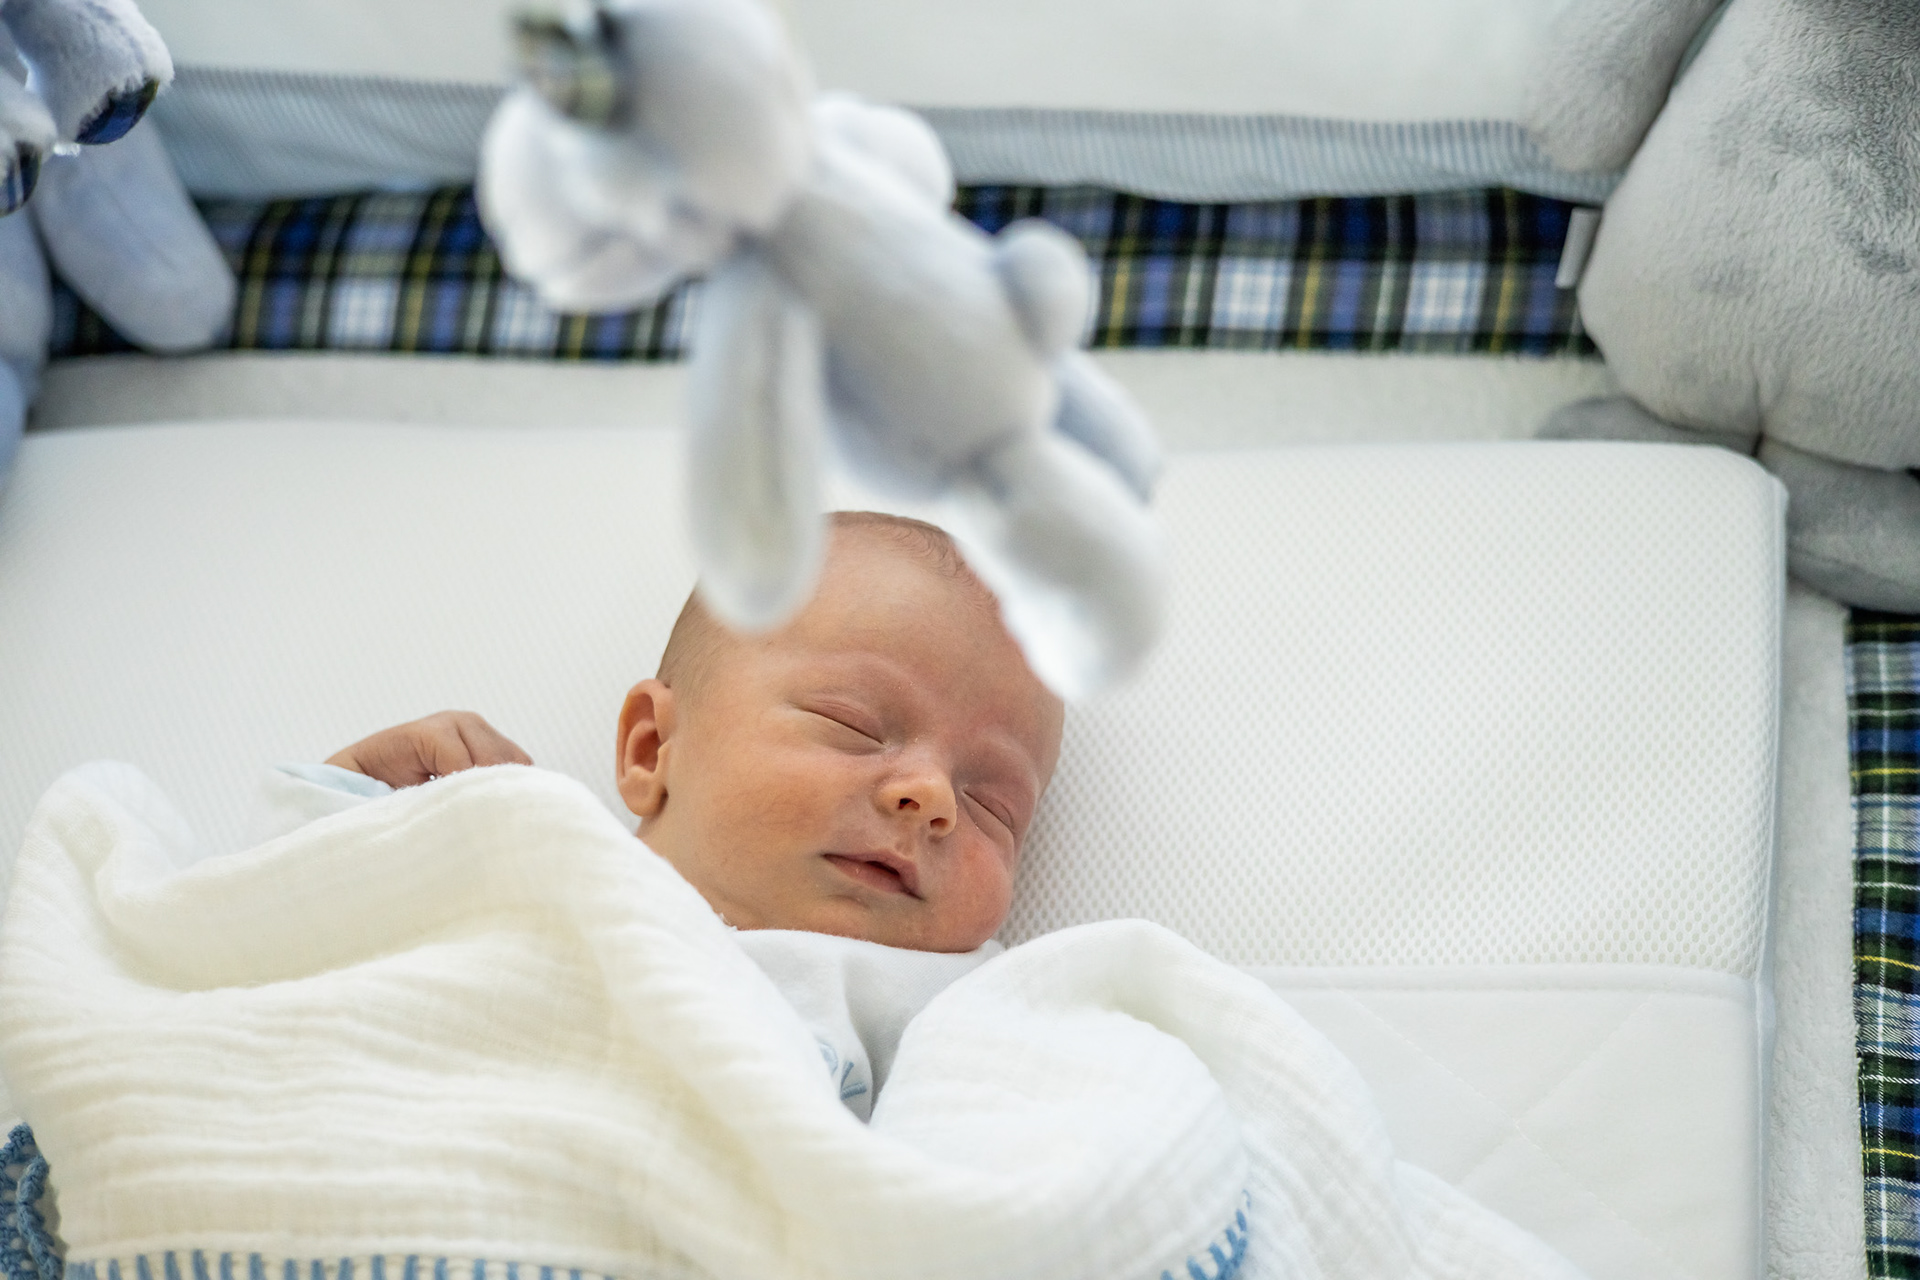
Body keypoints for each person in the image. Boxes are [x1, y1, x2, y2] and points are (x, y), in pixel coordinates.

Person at [274, 512, 1067, 1116]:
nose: (932, 797)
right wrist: (352, 814)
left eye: (992, 804)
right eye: (853, 725)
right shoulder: (526, 857)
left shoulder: (952, 1003)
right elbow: (283, 949)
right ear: (653, 749)